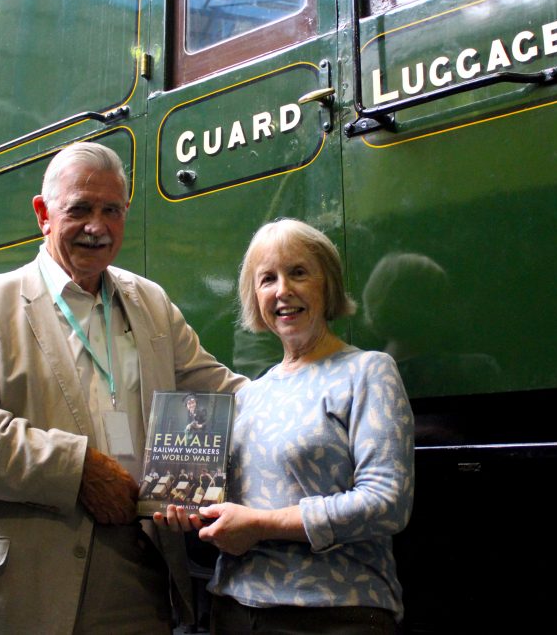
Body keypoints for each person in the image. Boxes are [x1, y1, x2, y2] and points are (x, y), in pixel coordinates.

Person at [0, 142, 246, 634]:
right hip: (11, 587)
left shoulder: (150, 303)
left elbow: (217, 391)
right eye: (80, 209)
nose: (98, 226)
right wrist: (80, 468)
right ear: (44, 214)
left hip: (132, 572)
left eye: (112, 210)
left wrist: (314, 393)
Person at [157, 218, 415, 634]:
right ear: (254, 297)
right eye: (267, 279)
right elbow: (228, 509)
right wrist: (186, 512)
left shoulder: (367, 372)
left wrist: (260, 525)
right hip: (233, 608)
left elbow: (387, 503)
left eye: (298, 272)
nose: (282, 291)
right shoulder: (247, 397)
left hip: (334, 614)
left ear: (326, 284)